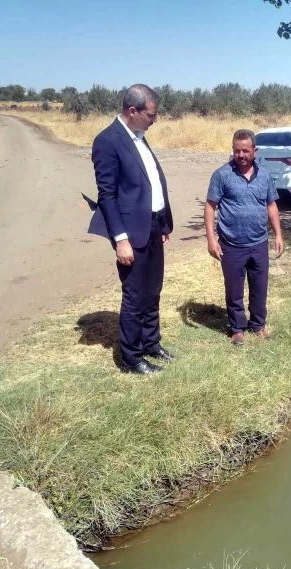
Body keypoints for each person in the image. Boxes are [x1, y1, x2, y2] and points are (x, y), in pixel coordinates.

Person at [88, 84, 175, 374]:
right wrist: (120, 240)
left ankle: (151, 342)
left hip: (152, 226)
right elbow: (107, 195)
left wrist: (162, 222)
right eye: (151, 114)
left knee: (153, 290)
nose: (155, 119)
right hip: (131, 233)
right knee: (135, 295)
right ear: (133, 111)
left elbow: (148, 183)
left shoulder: (139, 136)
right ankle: (131, 358)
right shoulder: (108, 141)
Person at [204, 129, 284, 345]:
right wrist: (211, 239)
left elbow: (271, 205)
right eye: (237, 151)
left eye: (245, 151)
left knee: (259, 286)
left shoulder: (265, 175)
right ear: (233, 150)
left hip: (259, 242)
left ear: (254, 151)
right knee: (234, 289)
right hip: (231, 244)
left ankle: (258, 325)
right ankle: (237, 328)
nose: (241, 155)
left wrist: (278, 234)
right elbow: (211, 207)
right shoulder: (221, 175)